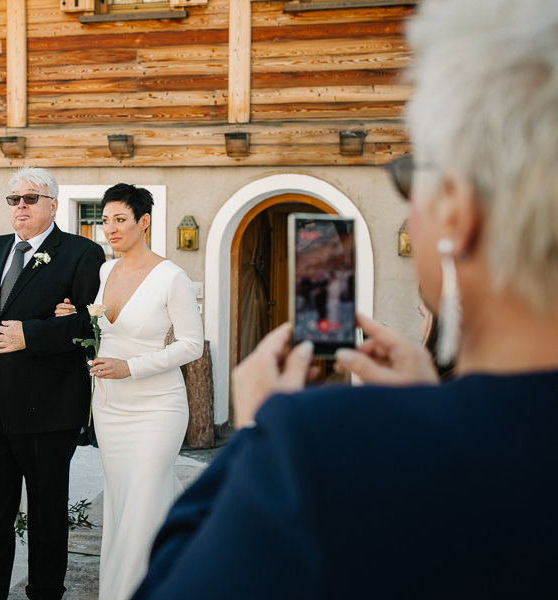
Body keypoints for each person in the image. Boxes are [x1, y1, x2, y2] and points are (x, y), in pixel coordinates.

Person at [134, 0, 558, 597]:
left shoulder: (315, 454)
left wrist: (259, 438)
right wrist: (430, 406)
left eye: (412, 174)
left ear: (458, 211)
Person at [0, 166, 104, 599]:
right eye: (14, 199)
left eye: (30, 199)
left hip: (46, 409)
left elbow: (89, 329)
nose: (20, 206)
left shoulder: (80, 254)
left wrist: (29, 335)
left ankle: (45, 591)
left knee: (47, 516)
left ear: (53, 204)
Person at [54, 183, 203, 599]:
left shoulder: (172, 277)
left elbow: (191, 344)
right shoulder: (105, 271)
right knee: (124, 506)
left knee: (142, 502)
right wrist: (74, 316)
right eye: (105, 221)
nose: (110, 229)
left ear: (144, 221)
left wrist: (131, 368)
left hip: (157, 409)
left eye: (120, 219)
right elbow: (102, 327)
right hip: (111, 407)